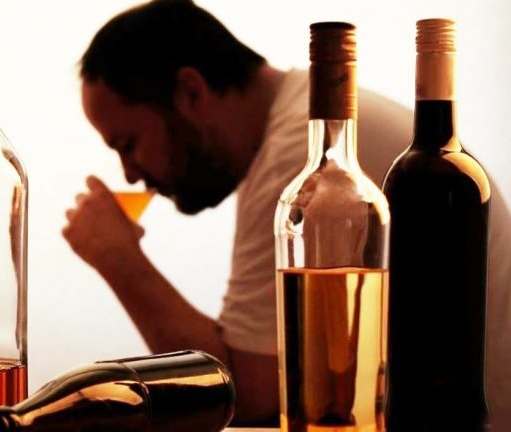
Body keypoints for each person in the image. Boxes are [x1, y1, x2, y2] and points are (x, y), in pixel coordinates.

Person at [62, 0, 511, 426]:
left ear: (191, 92)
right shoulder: (282, 140)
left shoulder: (298, 158)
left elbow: (247, 395)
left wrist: (119, 259)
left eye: (128, 144)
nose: (130, 173)